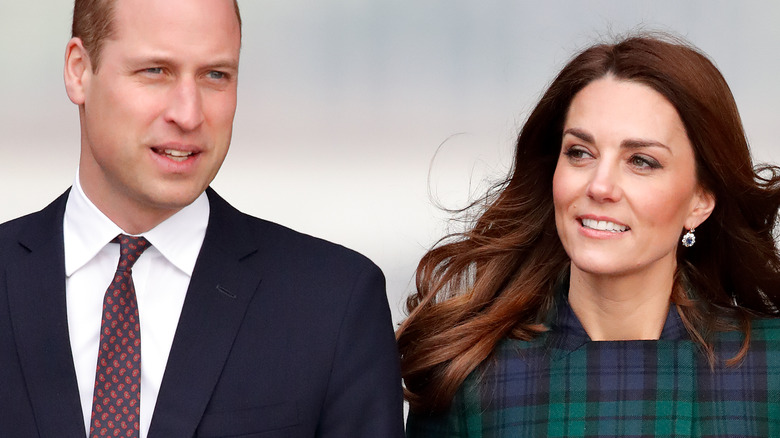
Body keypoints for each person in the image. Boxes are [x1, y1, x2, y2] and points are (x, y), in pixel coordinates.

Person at [0, 0, 404, 437]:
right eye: (156, 71)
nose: (189, 114)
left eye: (216, 75)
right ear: (79, 70)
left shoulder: (333, 303)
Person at [397, 34, 780, 437]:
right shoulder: (469, 380)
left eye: (641, 161)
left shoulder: (769, 371)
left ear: (700, 201)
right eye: (580, 152)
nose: (600, 186)